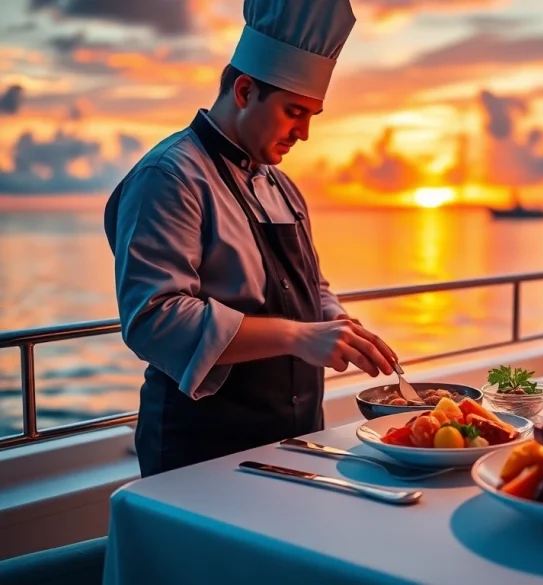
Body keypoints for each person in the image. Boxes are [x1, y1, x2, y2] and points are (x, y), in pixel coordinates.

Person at [104, 0, 399, 477]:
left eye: (312, 116)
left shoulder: (283, 186)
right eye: (293, 112)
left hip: (294, 438)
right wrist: (300, 336)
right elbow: (152, 318)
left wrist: (340, 325)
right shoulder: (170, 175)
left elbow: (313, 287)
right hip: (203, 447)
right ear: (244, 90)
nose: (303, 133)